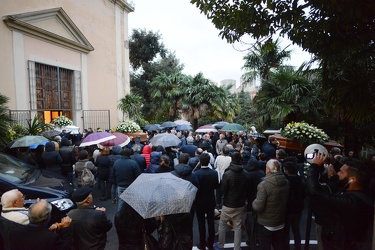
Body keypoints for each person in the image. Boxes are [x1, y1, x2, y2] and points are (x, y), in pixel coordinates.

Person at [307, 154, 374, 250]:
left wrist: (314, 167)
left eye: (341, 173)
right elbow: (337, 183)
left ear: (352, 180)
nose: (338, 173)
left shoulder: (352, 201)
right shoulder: (355, 193)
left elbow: (315, 193)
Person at [252, 159, 290, 250]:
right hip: (280, 221)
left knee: (265, 246)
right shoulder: (286, 182)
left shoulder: (264, 185)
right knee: (278, 245)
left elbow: (258, 207)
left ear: (268, 170)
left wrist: (253, 202)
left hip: (266, 222)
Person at [216, 152, 249, 250]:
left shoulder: (227, 174)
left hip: (228, 203)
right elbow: (247, 189)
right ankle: (237, 247)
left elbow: (223, 190)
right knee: (237, 226)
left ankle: (221, 245)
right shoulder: (245, 173)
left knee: (222, 224)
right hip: (240, 203)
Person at [194, 153, 219, 250]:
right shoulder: (214, 173)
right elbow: (216, 186)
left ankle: (202, 243)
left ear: (200, 161)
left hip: (200, 201)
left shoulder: (196, 174)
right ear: (209, 161)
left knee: (201, 224)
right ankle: (211, 242)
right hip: (210, 200)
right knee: (210, 222)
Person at [283, 161, 306, 250]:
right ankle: (298, 247)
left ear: (287, 171)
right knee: (296, 230)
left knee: (286, 231)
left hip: (288, 209)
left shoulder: (286, 182)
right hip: (298, 209)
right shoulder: (301, 180)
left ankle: (286, 247)